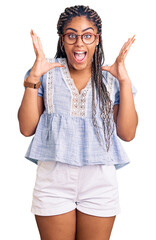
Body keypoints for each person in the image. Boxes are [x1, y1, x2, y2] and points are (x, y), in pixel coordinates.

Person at [17, 5, 138, 240]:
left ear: (97, 39)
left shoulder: (111, 78)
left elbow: (127, 133)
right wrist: (32, 78)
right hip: (53, 180)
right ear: (62, 39)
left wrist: (123, 80)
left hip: (99, 182)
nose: (79, 43)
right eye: (71, 35)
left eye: (87, 35)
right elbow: (26, 128)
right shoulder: (44, 72)